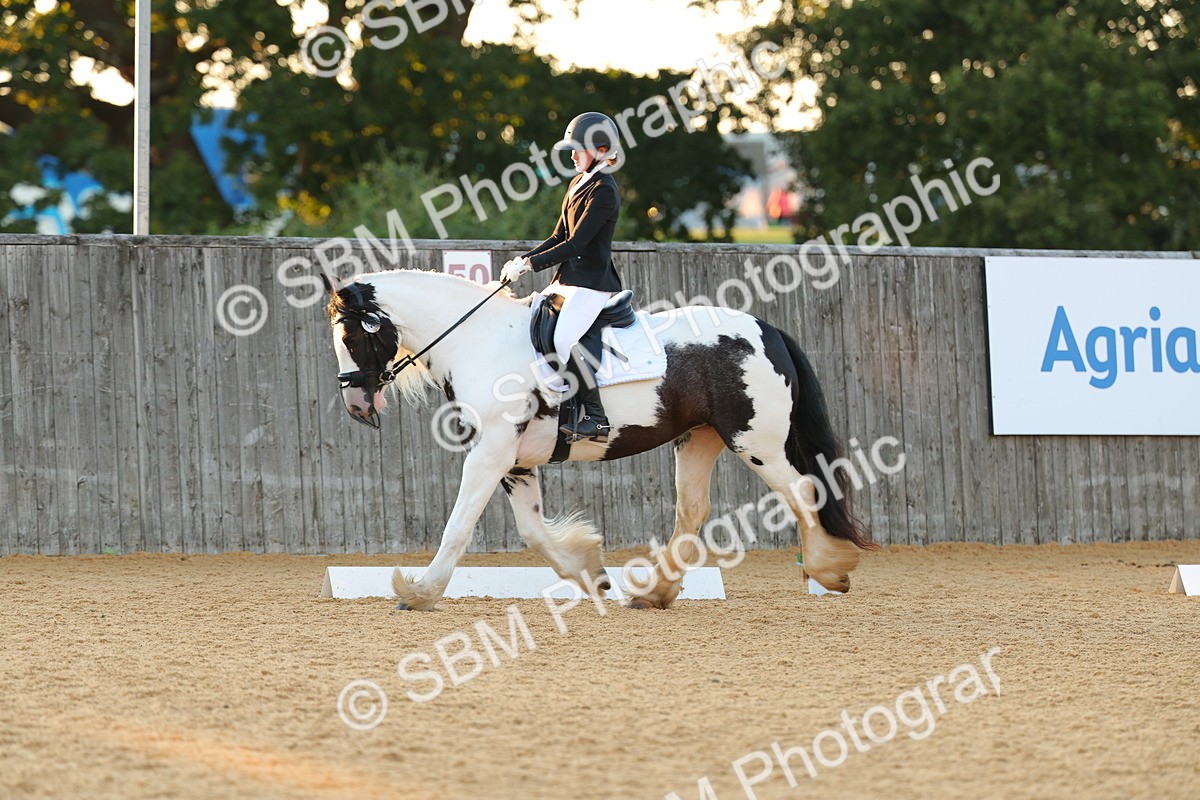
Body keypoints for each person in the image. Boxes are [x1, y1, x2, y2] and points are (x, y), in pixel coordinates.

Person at [501, 111, 623, 442]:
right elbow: (559, 236)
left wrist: (531, 266)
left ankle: (596, 418)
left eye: (577, 149)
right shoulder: (577, 183)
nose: (571, 156)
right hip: (567, 279)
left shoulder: (604, 190)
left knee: (562, 340)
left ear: (600, 150)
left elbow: (577, 243)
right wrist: (524, 258)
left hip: (592, 283)